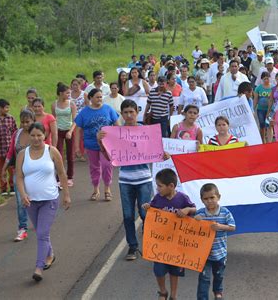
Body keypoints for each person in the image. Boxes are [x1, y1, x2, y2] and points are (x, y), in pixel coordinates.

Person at [98, 99, 154, 260]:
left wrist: (162, 154)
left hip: (144, 178)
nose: (129, 115)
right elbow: (110, 157)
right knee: (128, 215)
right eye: (126, 112)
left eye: (132, 112)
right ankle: (133, 247)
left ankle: (150, 244)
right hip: (126, 180)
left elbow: (155, 151)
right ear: (121, 114)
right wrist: (100, 142)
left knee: (145, 214)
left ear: (137, 112)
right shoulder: (116, 134)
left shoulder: (146, 131)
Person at [15, 122, 71, 282]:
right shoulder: (22, 154)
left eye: (39, 135)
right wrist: (23, 194)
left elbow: (62, 173)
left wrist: (66, 195)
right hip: (31, 201)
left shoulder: (52, 151)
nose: (36, 138)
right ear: (29, 136)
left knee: (42, 233)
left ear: (44, 136)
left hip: (50, 199)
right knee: (41, 231)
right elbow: (19, 177)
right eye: (32, 135)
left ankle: (39, 267)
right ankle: (50, 255)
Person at [142, 168, 196, 300]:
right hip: (160, 242)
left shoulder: (182, 198)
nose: (157, 188)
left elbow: (194, 209)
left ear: (171, 186)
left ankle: (173, 295)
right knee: (159, 270)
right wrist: (148, 207)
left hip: (177, 243)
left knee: (174, 270)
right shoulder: (158, 198)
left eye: (160, 186)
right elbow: (153, 211)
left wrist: (187, 209)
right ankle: (163, 291)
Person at [75, 88, 119, 201]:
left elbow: (117, 125)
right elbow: (78, 130)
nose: (99, 99)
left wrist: (119, 141)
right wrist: (77, 147)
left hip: (107, 145)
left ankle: (107, 188)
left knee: (106, 165)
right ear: (90, 98)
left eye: (101, 97)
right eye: (97, 97)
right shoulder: (84, 112)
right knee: (94, 167)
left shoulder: (108, 109)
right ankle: (96, 189)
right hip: (91, 144)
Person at [195, 183, 236, 300]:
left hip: (220, 253)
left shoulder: (225, 212)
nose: (209, 201)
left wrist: (221, 226)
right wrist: (195, 221)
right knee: (204, 278)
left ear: (218, 197)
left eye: (212, 197)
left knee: (219, 275)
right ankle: (202, 298)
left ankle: (218, 292)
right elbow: (192, 231)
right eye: (206, 199)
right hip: (204, 254)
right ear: (202, 200)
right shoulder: (200, 214)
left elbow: (232, 227)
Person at [2, 110, 35, 242]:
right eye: (23, 122)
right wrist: (4, 169)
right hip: (19, 173)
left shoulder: (37, 133)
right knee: (21, 201)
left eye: (28, 122)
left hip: (35, 173)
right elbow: (10, 152)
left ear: (33, 121)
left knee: (36, 199)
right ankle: (22, 228)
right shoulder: (17, 134)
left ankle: (38, 221)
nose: (25, 124)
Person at [51, 83, 77, 187]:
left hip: (69, 130)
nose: (69, 95)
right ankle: (59, 178)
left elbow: (75, 120)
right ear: (61, 93)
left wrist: (70, 131)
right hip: (58, 131)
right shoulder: (54, 105)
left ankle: (70, 177)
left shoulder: (71, 104)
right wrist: (53, 132)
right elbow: (53, 119)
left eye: (69, 93)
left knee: (70, 155)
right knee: (59, 155)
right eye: (67, 93)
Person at [71, 78, 88, 162]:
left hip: (82, 117)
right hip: (71, 118)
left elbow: (88, 106)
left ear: (80, 85)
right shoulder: (69, 94)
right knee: (73, 136)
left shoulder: (84, 94)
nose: (74, 86)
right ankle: (73, 153)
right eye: (73, 85)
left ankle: (80, 153)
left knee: (81, 136)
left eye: (76, 85)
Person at [254, 72, 273, 143]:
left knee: (269, 125)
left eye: (267, 78)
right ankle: (263, 140)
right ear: (262, 79)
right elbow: (255, 99)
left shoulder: (272, 87)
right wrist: (254, 108)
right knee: (262, 125)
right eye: (264, 79)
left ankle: (269, 141)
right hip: (260, 110)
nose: (266, 80)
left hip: (270, 110)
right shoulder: (258, 88)